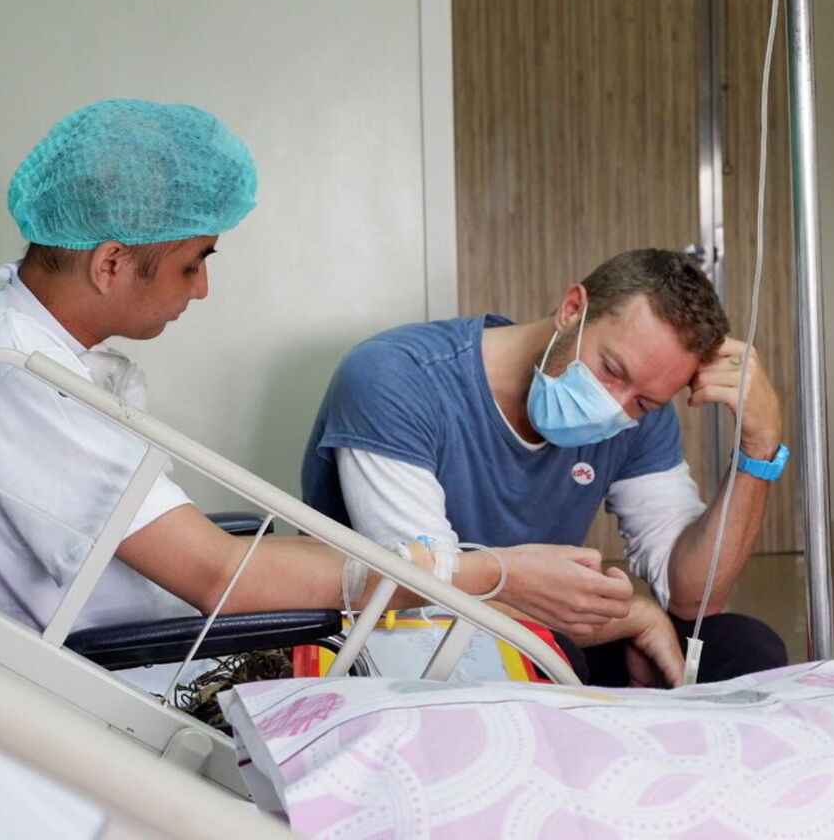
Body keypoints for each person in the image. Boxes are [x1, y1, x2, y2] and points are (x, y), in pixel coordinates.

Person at [0, 99, 638, 664]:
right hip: (129, 668)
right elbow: (217, 576)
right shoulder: (19, 375)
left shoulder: (16, 349)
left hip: (162, 636)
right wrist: (492, 574)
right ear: (111, 263)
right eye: (194, 262)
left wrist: (451, 572)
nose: (201, 289)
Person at [300, 248, 790, 687]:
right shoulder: (396, 377)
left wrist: (758, 449)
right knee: (553, 659)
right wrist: (633, 616)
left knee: (742, 648)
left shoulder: (640, 418)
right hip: (395, 635)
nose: (614, 405)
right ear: (572, 309)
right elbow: (425, 591)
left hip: (536, 631)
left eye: (643, 401)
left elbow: (692, 600)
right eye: (611, 371)